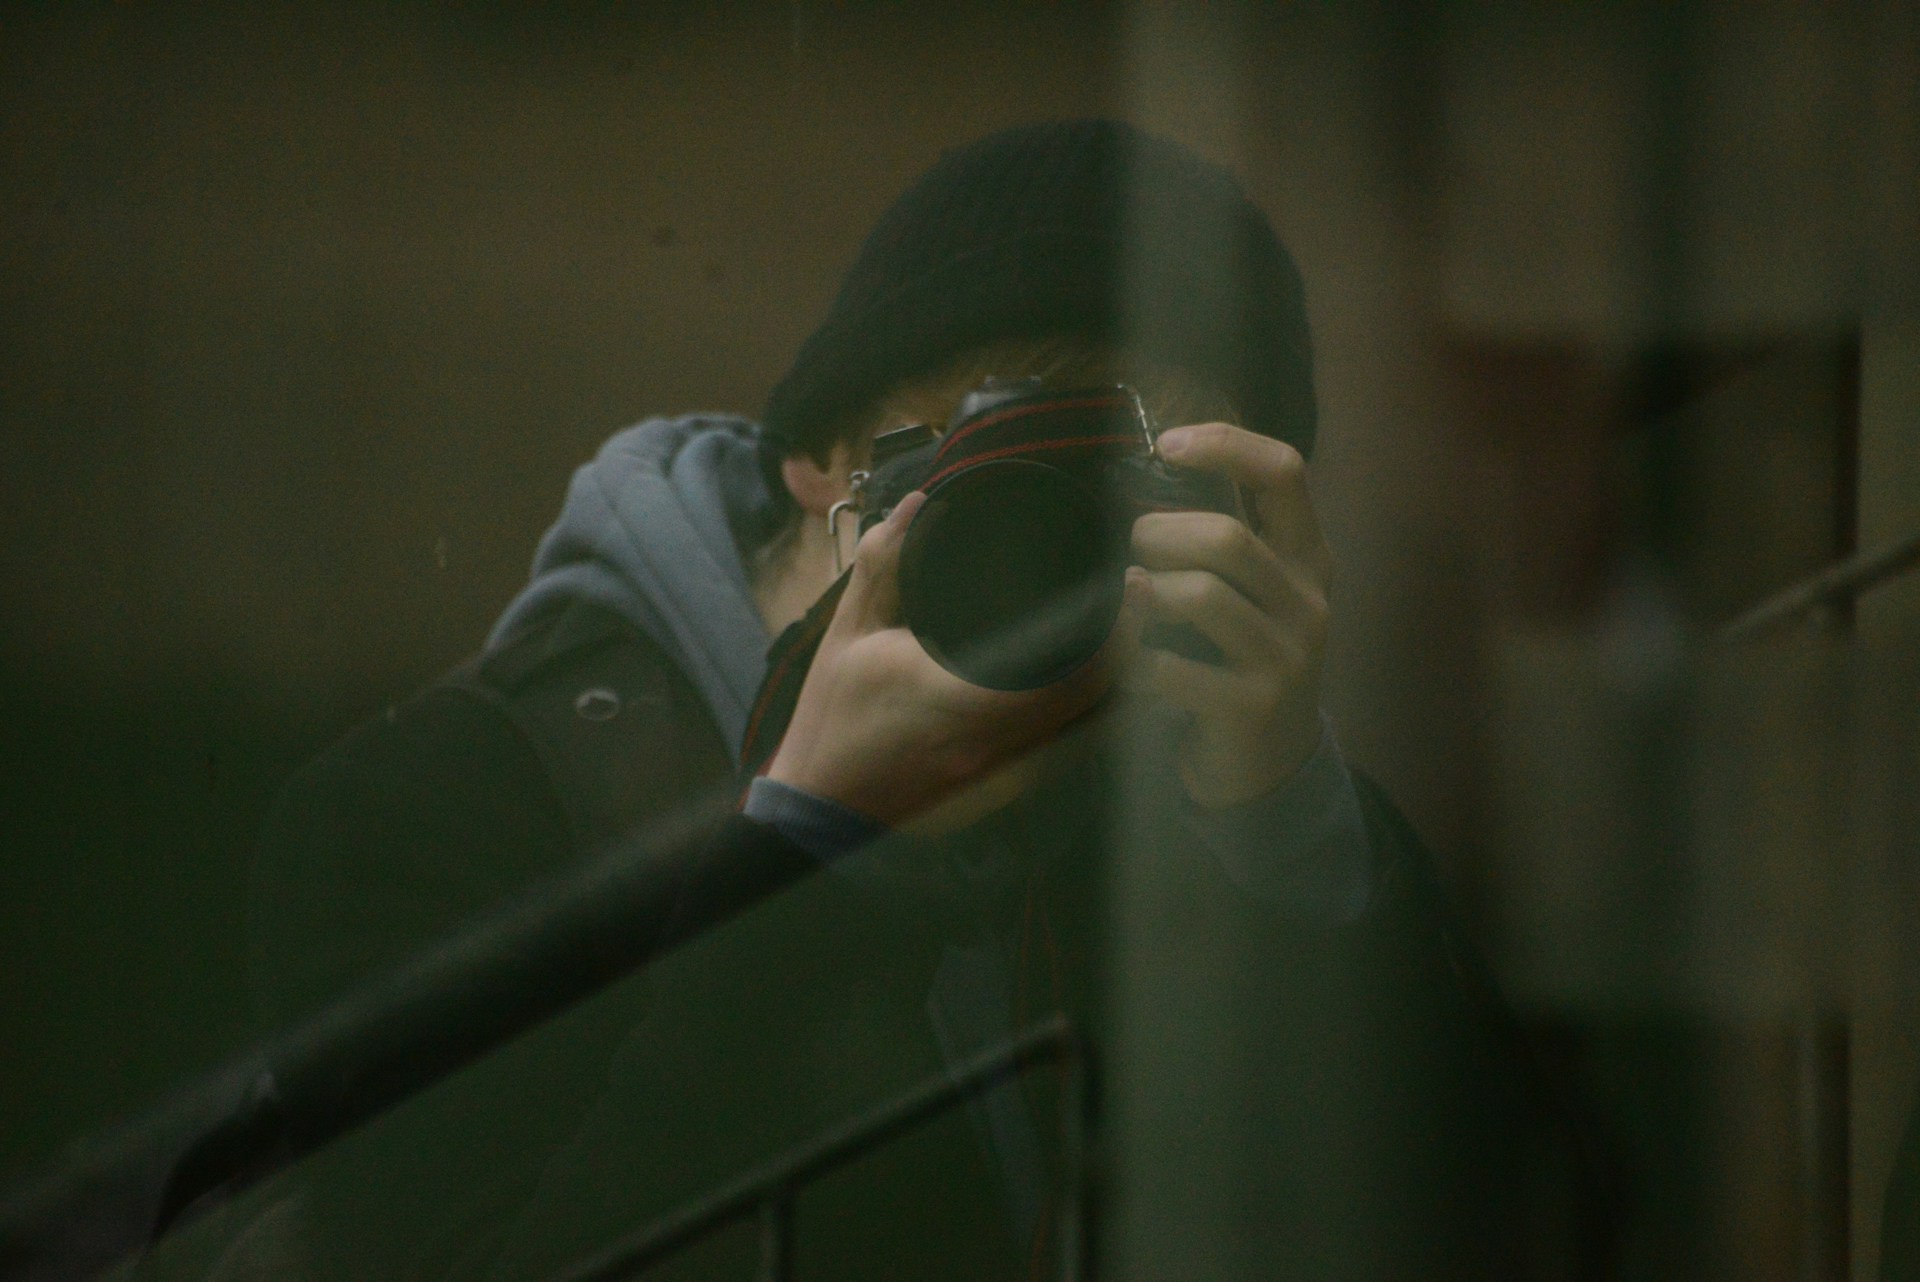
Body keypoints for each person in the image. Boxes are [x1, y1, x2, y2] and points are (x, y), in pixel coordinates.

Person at [245, 120, 1585, 1281]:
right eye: (1000, 461)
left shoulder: (1181, 791)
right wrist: (803, 861)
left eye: (1133, 491)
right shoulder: (441, 807)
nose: (1056, 550)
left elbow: (1526, 1236)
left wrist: (1291, 828)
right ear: (822, 456)